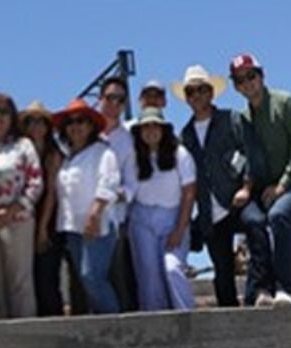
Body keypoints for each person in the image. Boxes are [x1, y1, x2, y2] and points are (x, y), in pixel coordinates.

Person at [230, 53, 291, 307]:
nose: (247, 83)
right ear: (236, 87)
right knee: (278, 226)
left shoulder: (287, 101)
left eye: (251, 76)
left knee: (279, 216)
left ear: (262, 76)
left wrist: (283, 185)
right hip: (269, 190)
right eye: (240, 80)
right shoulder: (243, 118)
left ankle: (283, 288)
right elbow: (247, 159)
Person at [176, 64, 259, 307]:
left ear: (211, 92)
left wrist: (246, 187)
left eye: (201, 89)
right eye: (191, 92)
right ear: (187, 98)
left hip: (237, 199)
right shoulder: (186, 136)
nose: (197, 96)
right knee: (222, 272)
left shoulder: (231, 119)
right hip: (209, 213)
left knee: (257, 227)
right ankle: (230, 328)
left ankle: (258, 294)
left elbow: (249, 153)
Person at [54, 98, 121, 314]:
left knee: (92, 276)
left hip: (97, 225)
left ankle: (115, 324)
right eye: (71, 122)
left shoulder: (103, 151)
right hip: (72, 228)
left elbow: (108, 182)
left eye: (81, 121)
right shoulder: (66, 159)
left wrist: (95, 213)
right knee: (84, 282)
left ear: (91, 125)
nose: (76, 126)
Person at [0, 92, 42, 319]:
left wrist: (13, 210)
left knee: (20, 282)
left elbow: (35, 182)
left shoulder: (23, 145)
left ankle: (27, 336)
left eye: (5, 111)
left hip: (18, 220)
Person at [128, 107, 196, 310]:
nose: (150, 131)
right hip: (142, 220)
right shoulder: (134, 158)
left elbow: (189, 194)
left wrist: (179, 230)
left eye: (155, 126)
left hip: (173, 218)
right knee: (149, 278)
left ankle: (187, 317)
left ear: (163, 129)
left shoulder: (180, 154)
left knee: (172, 268)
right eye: (145, 127)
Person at [21, 101, 75, 316]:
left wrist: (42, 229)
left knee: (47, 279)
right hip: (25, 221)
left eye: (41, 121)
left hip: (49, 223)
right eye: (31, 121)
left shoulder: (54, 155)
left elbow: (52, 193)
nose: (36, 126)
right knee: (30, 279)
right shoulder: (21, 152)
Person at [97, 76, 139, 311]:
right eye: (110, 97)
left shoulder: (128, 139)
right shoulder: (86, 132)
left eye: (120, 99)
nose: (115, 103)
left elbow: (132, 186)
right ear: (100, 99)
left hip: (115, 222)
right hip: (85, 221)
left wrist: (108, 194)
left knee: (120, 281)